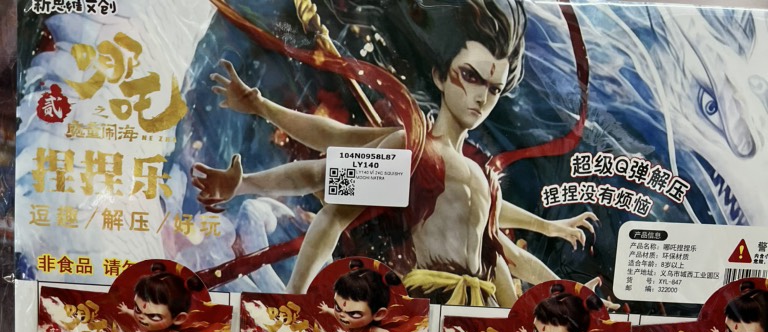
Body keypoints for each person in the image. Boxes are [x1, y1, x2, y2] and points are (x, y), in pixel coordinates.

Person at [191, 0, 597, 306]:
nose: (480, 97)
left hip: (478, 316)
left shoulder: (480, 174)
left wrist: (570, 290)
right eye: (470, 77)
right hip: (423, 306)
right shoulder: (413, 149)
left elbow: (503, 249)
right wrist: (295, 300)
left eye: (493, 89)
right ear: (440, 75)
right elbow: (330, 177)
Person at [319, 261, 406, 332]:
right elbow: (335, 313)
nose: (342, 315)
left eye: (353, 313)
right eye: (338, 307)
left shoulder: (369, 330)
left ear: (378, 314)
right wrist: (327, 309)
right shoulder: (351, 324)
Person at [118, 264, 204, 332]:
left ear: (178, 318)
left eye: (153, 316)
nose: (141, 317)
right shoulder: (149, 326)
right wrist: (127, 310)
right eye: (138, 309)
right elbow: (136, 316)